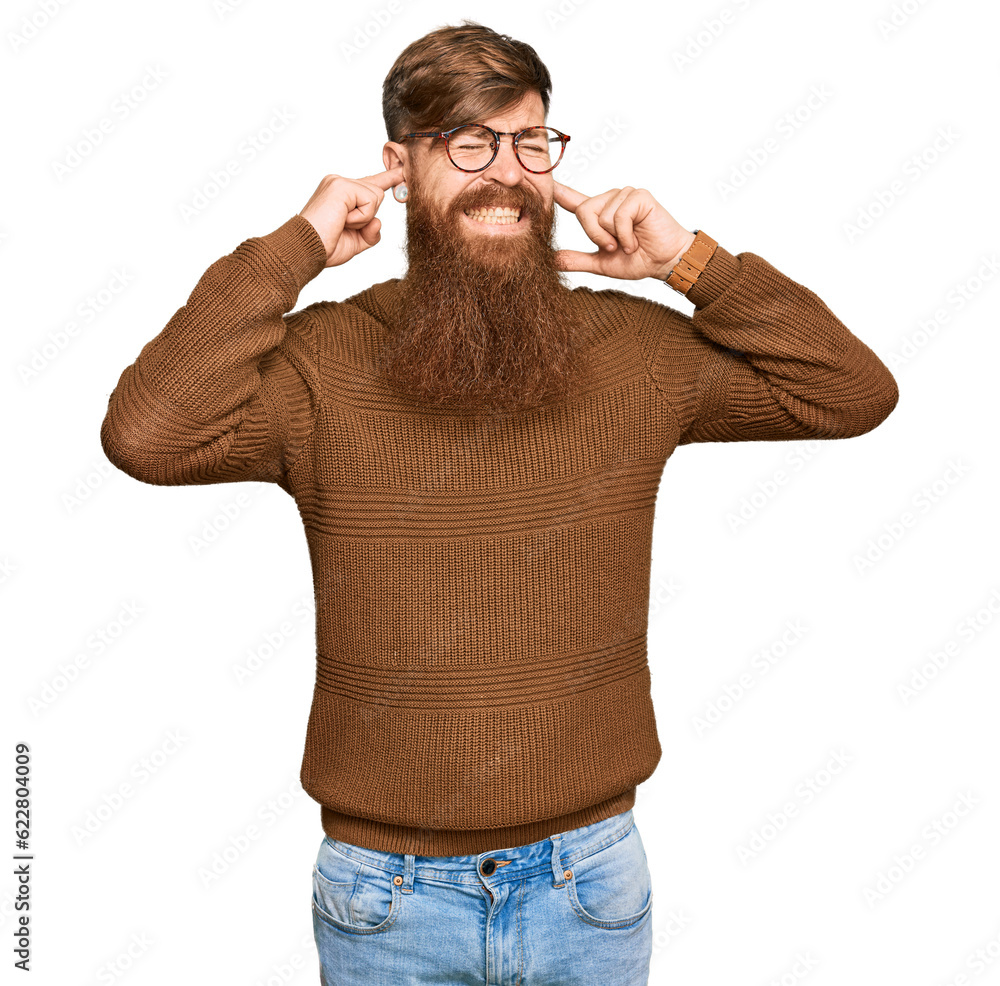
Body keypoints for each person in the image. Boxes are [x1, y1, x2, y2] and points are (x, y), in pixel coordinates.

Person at [99, 20, 899, 986]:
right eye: (466, 143)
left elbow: (851, 392)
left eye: (529, 141)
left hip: (590, 882)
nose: (505, 172)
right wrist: (298, 246)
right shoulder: (321, 361)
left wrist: (691, 262)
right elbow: (148, 434)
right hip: (385, 895)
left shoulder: (632, 351)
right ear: (397, 167)